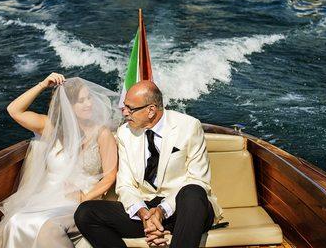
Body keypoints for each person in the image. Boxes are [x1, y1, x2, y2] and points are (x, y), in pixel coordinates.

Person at [74, 80, 222, 248]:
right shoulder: (125, 133)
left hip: (184, 210)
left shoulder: (189, 126)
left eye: (131, 108)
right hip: (145, 209)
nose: (125, 113)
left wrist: (162, 210)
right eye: (124, 107)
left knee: (193, 191)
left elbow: (199, 180)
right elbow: (125, 185)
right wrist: (144, 214)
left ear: (151, 110)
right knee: (85, 213)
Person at [0, 73, 120, 248]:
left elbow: (110, 177)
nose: (89, 103)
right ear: (68, 106)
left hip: (81, 198)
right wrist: (43, 84)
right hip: (47, 196)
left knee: (40, 223)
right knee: (15, 221)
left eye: (89, 98)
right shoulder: (51, 127)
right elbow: (14, 110)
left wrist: (85, 197)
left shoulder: (102, 133)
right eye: (81, 101)